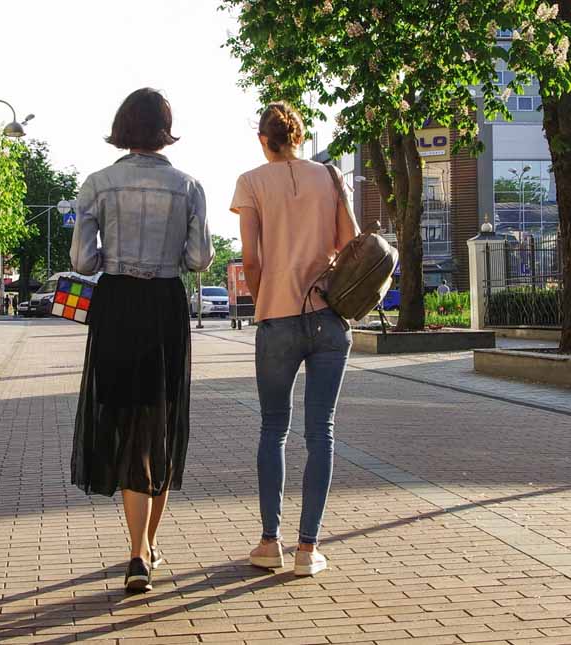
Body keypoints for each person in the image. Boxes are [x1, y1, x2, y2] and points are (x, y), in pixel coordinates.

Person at [70, 88, 214, 593]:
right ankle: (146, 548)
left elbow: (83, 261)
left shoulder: (97, 184)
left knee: (124, 416)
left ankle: (137, 552)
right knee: (161, 419)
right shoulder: (188, 186)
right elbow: (199, 259)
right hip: (164, 305)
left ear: (123, 128)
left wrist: (110, 252)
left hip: (116, 305)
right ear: (164, 131)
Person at [230, 102, 358, 577]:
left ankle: (270, 543)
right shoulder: (328, 176)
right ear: (299, 137)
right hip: (328, 316)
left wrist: (265, 301)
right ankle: (308, 549)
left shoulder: (250, 182)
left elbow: (251, 258)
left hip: (277, 318)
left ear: (263, 140)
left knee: (273, 430)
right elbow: (350, 242)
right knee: (321, 431)